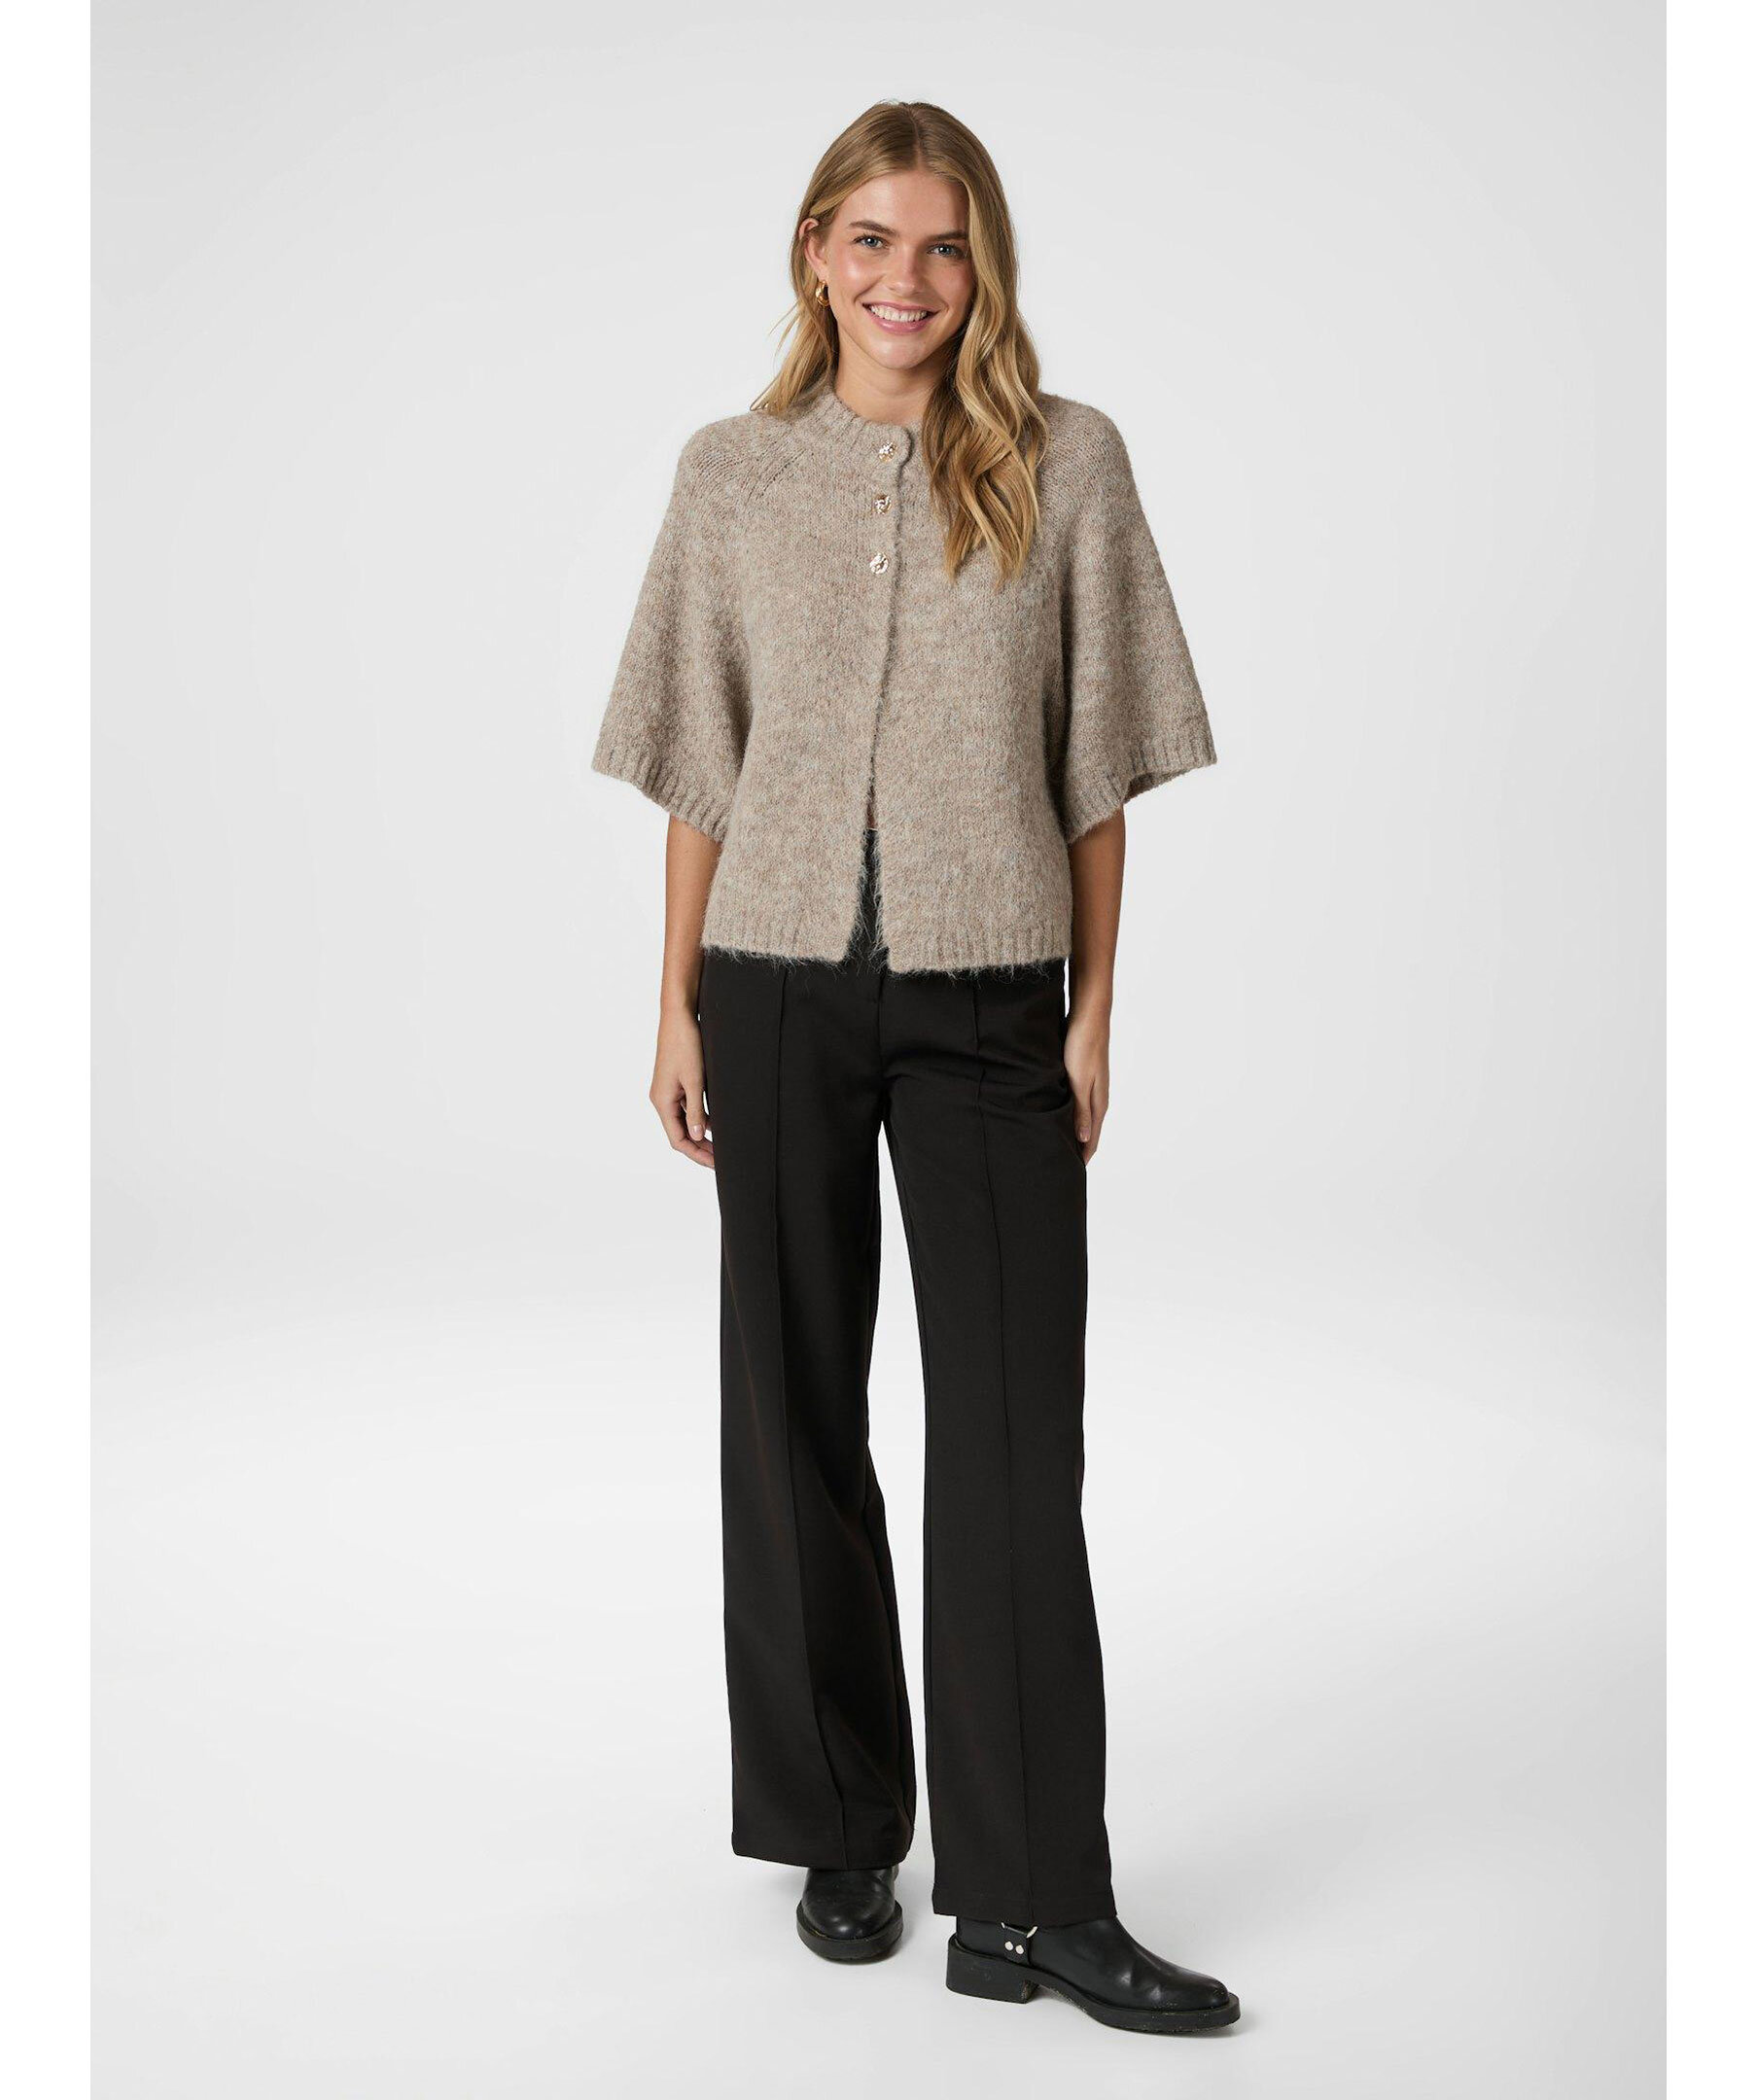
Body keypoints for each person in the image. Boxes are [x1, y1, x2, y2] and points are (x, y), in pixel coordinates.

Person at [590, 99, 1240, 2037]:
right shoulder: (732, 473)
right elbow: (701, 759)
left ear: (984, 267)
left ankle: (1032, 1903)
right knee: (789, 1408)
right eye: (869, 240)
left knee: (1015, 1443)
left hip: (986, 1003)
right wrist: (673, 1002)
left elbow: (1100, 766)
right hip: (774, 988)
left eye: (943, 245)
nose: (906, 279)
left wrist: (1093, 1012)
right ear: (813, 253)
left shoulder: (1067, 461)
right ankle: (841, 1826)